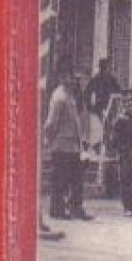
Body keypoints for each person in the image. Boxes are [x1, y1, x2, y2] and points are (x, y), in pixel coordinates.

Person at [44, 72, 89, 222]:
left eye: (78, 80)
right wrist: (50, 141)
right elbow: (51, 123)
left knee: (76, 179)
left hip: (73, 146)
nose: (77, 82)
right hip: (62, 145)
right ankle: (57, 210)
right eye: (73, 79)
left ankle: (76, 208)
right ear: (63, 78)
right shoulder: (59, 97)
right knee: (60, 180)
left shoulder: (70, 96)